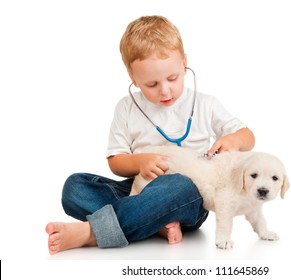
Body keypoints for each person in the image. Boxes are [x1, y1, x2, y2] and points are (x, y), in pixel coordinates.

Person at [45, 15, 255, 254]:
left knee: (179, 186)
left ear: (184, 64)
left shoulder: (206, 104)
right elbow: (116, 162)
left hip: (188, 197)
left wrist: (233, 140)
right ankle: (152, 223)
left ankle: (91, 233)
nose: (165, 90)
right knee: (75, 187)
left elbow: (247, 136)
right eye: (151, 84)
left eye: (172, 78)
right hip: (139, 187)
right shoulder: (126, 108)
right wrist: (140, 162)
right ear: (133, 79)